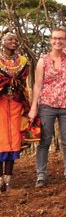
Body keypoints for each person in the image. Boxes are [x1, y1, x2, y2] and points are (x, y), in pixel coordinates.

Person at [28, 28, 66, 187]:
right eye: (55, 38)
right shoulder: (43, 60)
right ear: (50, 40)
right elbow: (37, 85)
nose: (58, 41)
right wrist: (33, 107)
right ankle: (41, 175)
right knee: (44, 141)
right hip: (47, 105)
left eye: (61, 39)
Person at [0, 32, 30, 192]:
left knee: (14, 139)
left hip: (17, 103)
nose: (14, 41)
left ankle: (8, 180)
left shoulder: (23, 61)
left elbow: (24, 83)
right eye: (10, 39)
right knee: (1, 138)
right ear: (2, 42)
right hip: (1, 103)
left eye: (16, 39)